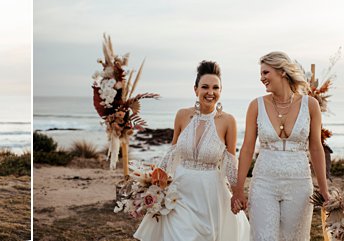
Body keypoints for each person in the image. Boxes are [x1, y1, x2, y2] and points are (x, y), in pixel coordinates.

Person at [134, 61, 249, 241]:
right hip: (180, 191)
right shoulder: (182, 115)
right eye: (205, 87)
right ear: (195, 89)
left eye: (215, 87)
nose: (210, 92)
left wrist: (237, 192)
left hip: (210, 193)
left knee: (207, 235)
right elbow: (172, 153)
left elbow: (230, 160)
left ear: (220, 91)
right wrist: (154, 184)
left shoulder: (228, 121)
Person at [231, 52, 330, 241]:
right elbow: (246, 149)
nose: (262, 78)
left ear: (282, 72)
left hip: (300, 184)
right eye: (261, 74)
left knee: (295, 238)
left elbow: (316, 147)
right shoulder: (256, 105)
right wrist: (238, 190)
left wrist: (323, 189)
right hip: (263, 183)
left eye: (265, 73)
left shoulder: (311, 105)